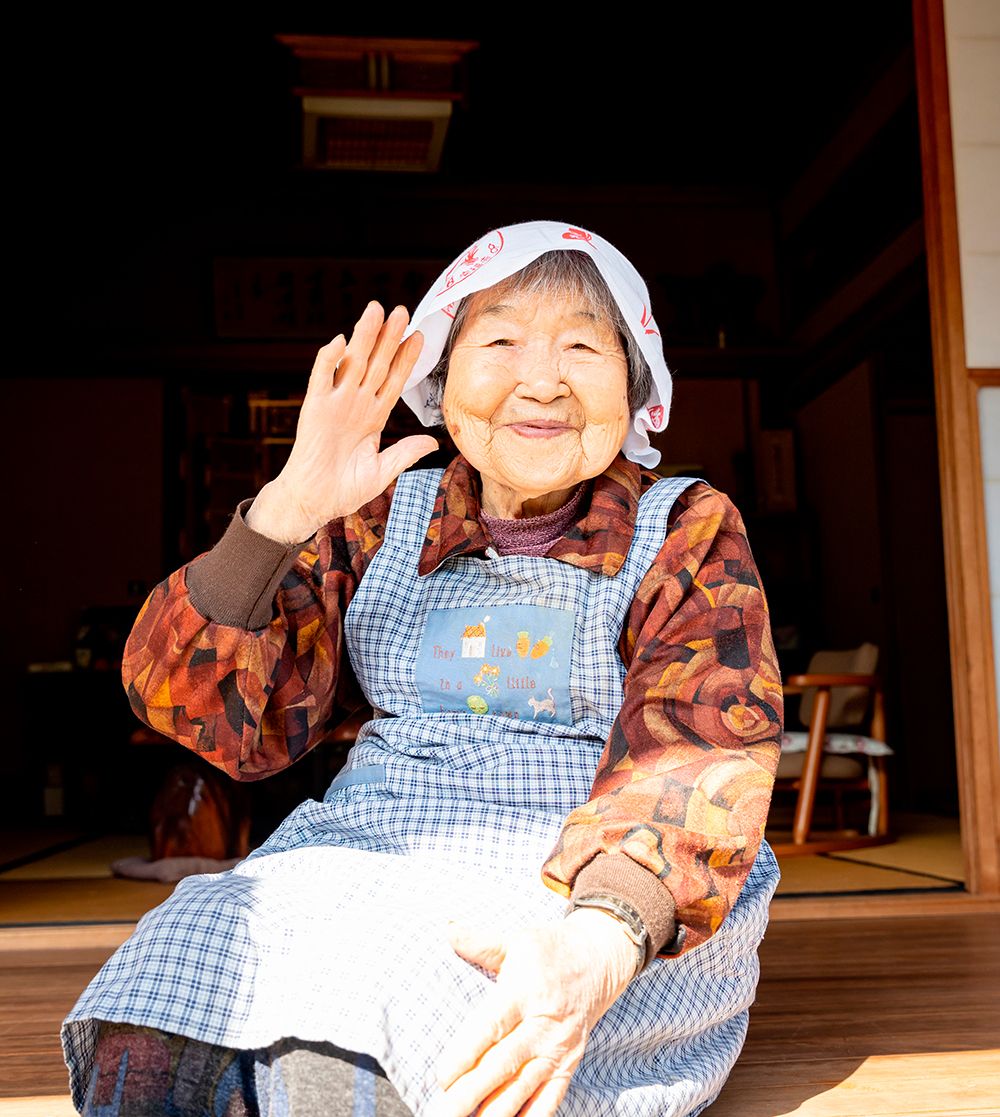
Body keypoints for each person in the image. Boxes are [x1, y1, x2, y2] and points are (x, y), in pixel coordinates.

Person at [63, 220, 783, 1117]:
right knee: (187, 946)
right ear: (442, 381)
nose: (543, 379)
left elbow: (700, 752)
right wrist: (284, 512)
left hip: (599, 890)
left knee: (355, 1029)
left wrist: (602, 938)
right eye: (503, 340)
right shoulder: (375, 516)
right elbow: (222, 721)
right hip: (372, 851)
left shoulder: (683, 527)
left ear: (637, 388)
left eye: (582, 346)